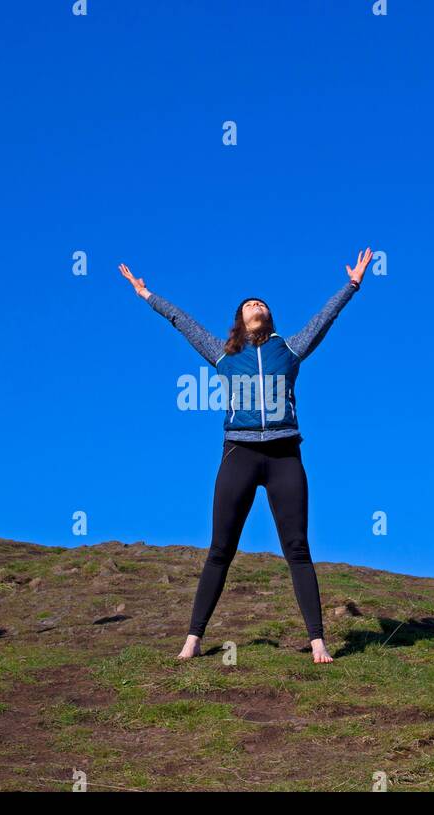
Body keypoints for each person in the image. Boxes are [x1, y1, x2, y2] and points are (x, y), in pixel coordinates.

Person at [119, 250, 374, 663]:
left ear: (269, 318)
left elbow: (324, 319)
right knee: (221, 548)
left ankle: (318, 642)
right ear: (240, 319)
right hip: (239, 452)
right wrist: (147, 294)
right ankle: (193, 639)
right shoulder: (224, 354)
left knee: (297, 547)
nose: (256, 305)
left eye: (262, 303)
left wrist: (353, 284)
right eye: (249, 304)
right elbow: (182, 322)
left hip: (284, 455)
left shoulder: (288, 350)